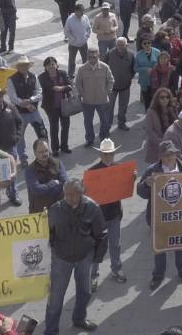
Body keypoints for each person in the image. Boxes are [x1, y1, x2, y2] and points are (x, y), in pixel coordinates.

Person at [44, 179, 104, 334]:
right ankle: (51, 331)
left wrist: (96, 258)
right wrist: (52, 248)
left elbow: (101, 234)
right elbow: (47, 232)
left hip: (84, 257)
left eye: (73, 194)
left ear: (82, 193)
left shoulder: (93, 207)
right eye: (67, 194)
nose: (69, 198)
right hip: (61, 259)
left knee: (85, 292)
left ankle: (79, 319)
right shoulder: (55, 209)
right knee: (55, 298)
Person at [138, 141, 182, 289]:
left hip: (181, 216)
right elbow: (140, 192)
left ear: (176, 154)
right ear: (160, 156)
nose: (169, 157)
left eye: (171, 154)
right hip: (160, 218)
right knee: (160, 248)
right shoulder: (152, 170)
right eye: (166, 155)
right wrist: (146, 185)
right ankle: (158, 275)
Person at [88, 139, 128, 289]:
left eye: (111, 153)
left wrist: (131, 178)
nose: (108, 156)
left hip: (114, 214)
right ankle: (93, 276)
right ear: (100, 154)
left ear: (114, 154)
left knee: (115, 244)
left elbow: (126, 187)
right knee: (97, 247)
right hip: (98, 218)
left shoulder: (120, 168)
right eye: (105, 154)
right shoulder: (92, 172)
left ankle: (116, 269)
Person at [7, 54, 49, 165]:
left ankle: (45, 154)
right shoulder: (11, 80)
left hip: (33, 110)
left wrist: (30, 100)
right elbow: (12, 97)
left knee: (42, 133)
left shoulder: (34, 76)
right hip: (20, 113)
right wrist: (25, 104)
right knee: (20, 137)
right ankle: (23, 159)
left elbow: (39, 92)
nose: (24, 67)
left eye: (25, 65)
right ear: (18, 67)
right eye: (21, 65)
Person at [40, 56, 73, 155]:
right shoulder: (42, 77)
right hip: (50, 106)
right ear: (45, 67)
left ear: (56, 65)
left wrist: (62, 88)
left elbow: (70, 85)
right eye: (48, 65)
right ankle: (55, 149)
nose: (51, 66)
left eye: (53, 64)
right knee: (54, 128)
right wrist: (57, 87)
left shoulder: (63, 73)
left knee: (65, 126)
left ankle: (64, 146)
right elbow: (47, 87)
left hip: (64, 105)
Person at [145, 87, 178, 163]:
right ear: (157, 99)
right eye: (162, 97)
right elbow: (149, 131)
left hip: (172, 146)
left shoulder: (173, 109)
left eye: (167, 97)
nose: (165, 99)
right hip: (157, 147)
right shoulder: (151, 111)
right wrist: (163, 142)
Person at [64, 3, 93, 78]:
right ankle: (70, 75)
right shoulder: (70, 20)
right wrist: (73, 39)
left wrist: (87, 35)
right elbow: (66, 32)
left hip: (83, 43)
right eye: (81, 11)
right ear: (76, 11)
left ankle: (86, 73)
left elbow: (89, 28)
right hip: (73, 45)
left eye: (83, 11)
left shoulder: (85, 17)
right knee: (72, 61)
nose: (83, 13)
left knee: (85, 59)